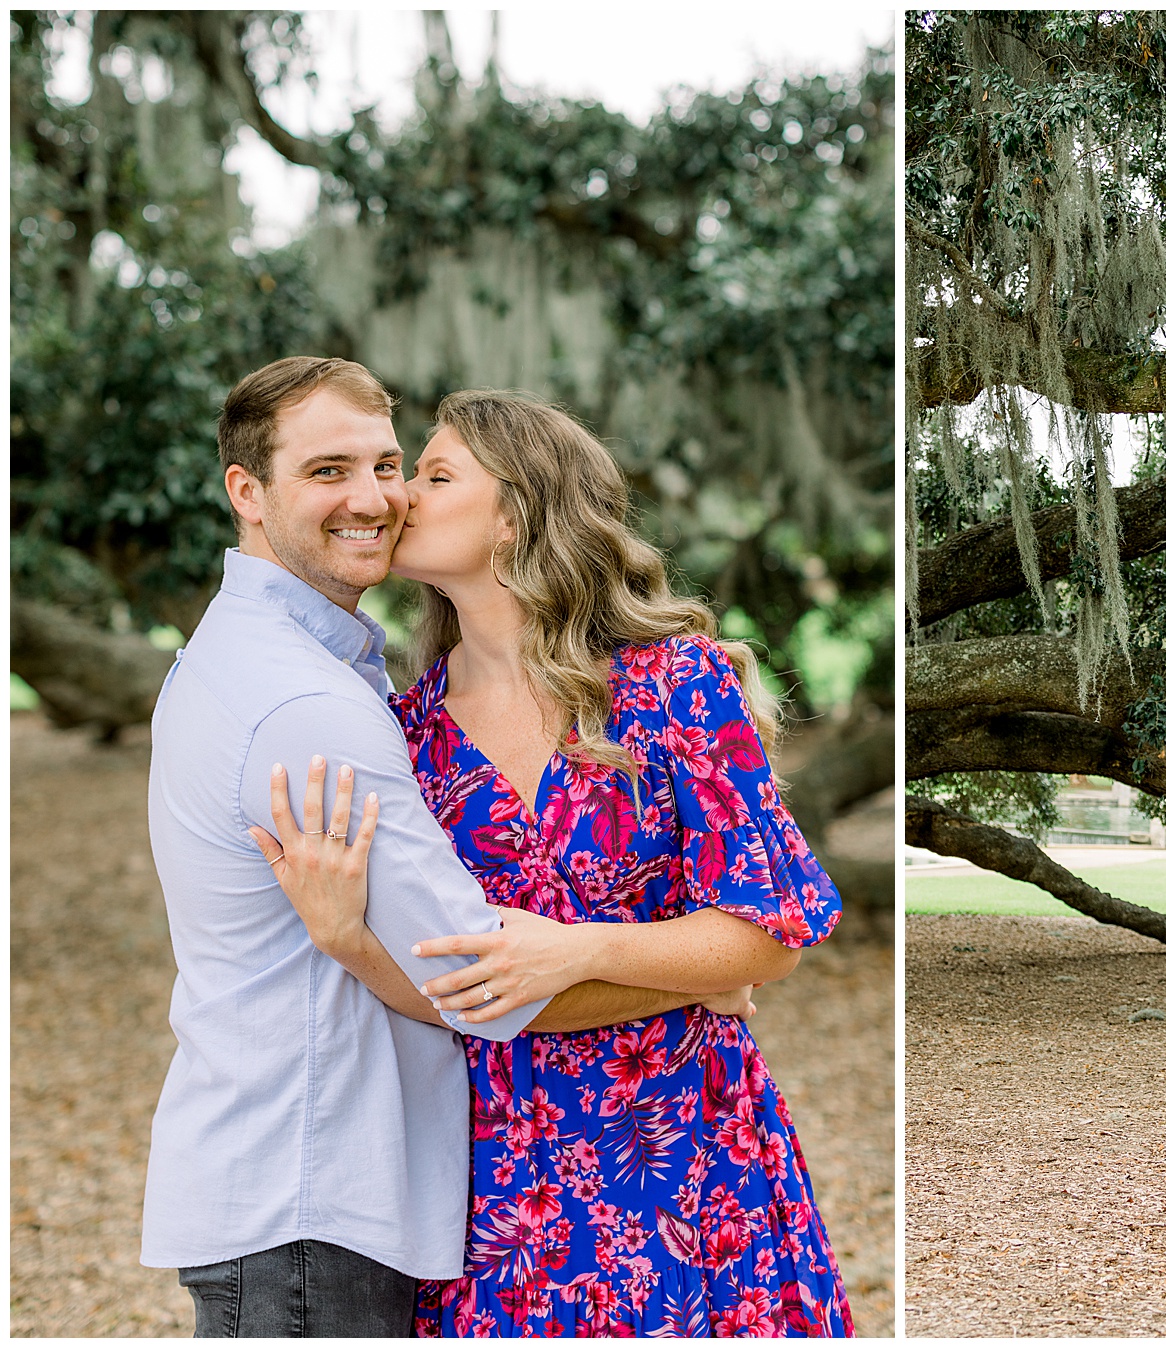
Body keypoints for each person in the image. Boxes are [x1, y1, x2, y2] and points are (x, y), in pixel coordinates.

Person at [143, 356, 735, 1337]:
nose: (376, 498)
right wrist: (698, 973)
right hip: (311, 1198)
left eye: (388, 465)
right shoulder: (311, 702)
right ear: (245, 492)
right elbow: (486, 979)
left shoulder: (278, 661)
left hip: (295, 1190)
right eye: (328, 471)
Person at [263, 388, 853, 1336]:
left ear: (516, 515)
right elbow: (451, 984)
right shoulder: (400, 736)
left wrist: (579, 951)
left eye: (433, 472)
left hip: (687, 1158)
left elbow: (768, 935)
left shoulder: (674, 682)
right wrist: (345, 941)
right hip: (496, 1178)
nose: (400, 495)